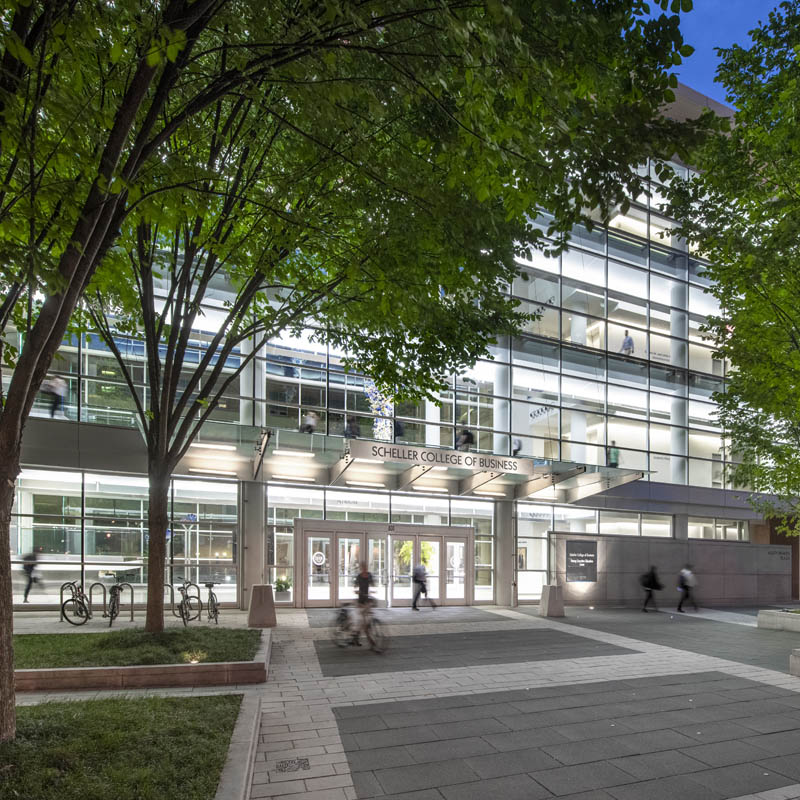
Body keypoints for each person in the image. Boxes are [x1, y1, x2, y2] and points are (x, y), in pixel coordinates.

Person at [353, 561, 379, 650]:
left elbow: (373, 584)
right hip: (361, 600)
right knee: (364, 622)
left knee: (366, 621)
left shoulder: (369, 575)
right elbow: (355, 586)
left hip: (368, 600)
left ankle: (356, 635)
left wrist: (373, 590)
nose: (365, 568)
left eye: (366, 567)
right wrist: (356, 591)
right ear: (361, 568)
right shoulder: (359, 576)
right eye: (363, 567)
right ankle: (371, 643)